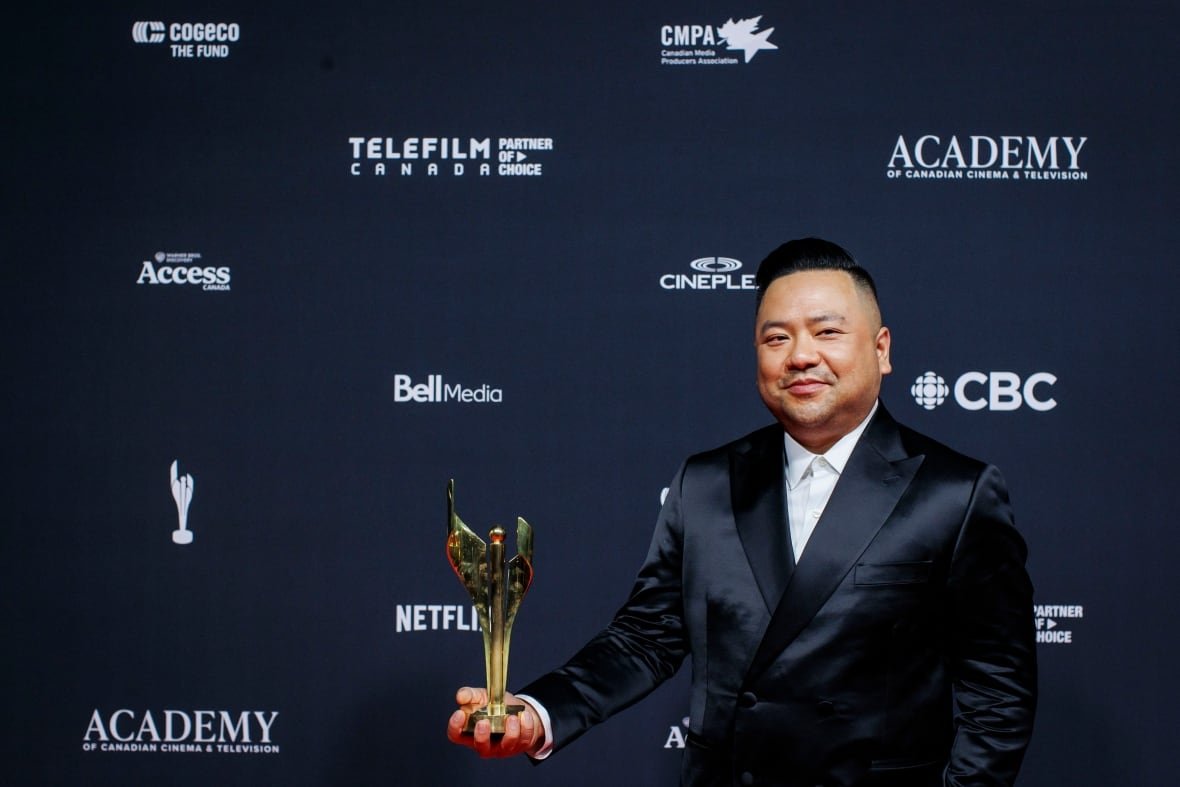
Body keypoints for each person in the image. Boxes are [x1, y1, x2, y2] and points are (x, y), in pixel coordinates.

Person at [447, 238, 1037, 786]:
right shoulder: (705, 483)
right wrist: (538, 711)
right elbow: (645, 637)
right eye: (776, 338)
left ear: (881, 350)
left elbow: (999, 696)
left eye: (827, 332)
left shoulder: (954, 493)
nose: (801, 356)